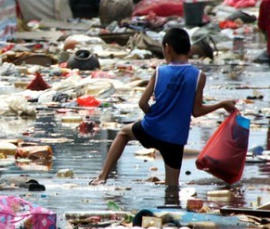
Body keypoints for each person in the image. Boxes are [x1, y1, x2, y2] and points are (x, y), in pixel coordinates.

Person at [89, 27, 237, 195]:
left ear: (167, 48)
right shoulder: (198, 76)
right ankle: (171, 212)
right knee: (172, 187)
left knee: (123, 133)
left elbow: (142, 103)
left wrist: (152, 115)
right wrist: (221, 104)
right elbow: (196, 112)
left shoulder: (159, 72)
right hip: (175, 139)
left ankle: (102, 176)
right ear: (189, 50)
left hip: (152, 128)